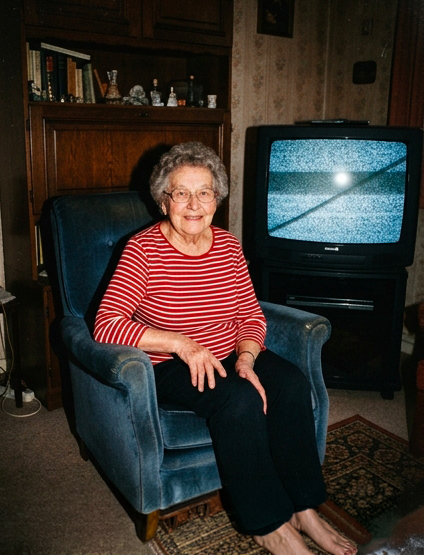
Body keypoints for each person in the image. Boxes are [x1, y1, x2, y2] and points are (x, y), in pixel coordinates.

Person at [94, 142, 357, 555]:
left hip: (230, 351)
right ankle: (269, 525)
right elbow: (107, 324)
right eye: (181, 193)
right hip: (169, 365)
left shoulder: (229, 246)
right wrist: (182, 344)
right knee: (238, 399)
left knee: (290, 384)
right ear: (163, 202)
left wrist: (248, 357)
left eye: (205, 193)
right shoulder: (142, 250)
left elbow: (251, 315)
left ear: (216, 199)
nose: (193, 205)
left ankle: (304, 508)